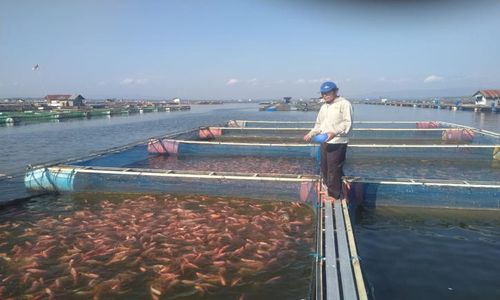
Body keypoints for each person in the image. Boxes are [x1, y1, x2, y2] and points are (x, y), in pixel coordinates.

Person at [304, 81, 353, 199]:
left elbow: (348, 123)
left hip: (337, 142)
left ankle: (334, 194)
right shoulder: (324, 107)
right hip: (325, 141)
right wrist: (311, 133)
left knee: (334, 169)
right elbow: (319, 124)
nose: (325, 95)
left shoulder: (344, 104)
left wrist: (334, 132)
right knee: (324, 166)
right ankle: (328, 187)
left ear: (335, 91)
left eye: (328, 93)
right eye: (323, 93)